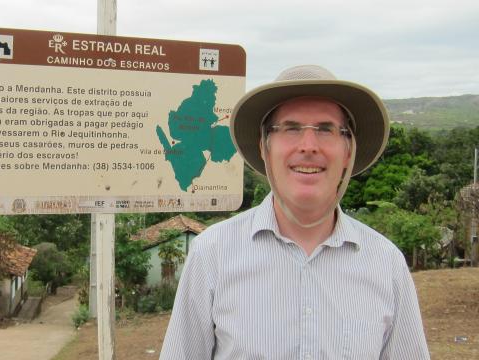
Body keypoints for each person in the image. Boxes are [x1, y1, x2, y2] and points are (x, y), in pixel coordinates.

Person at [160, 65, 430, 359]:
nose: (308, 146)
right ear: (265, 147)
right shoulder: (212, 254)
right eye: (291, 128)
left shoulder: (386, 264)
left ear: (348, 151)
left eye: (326, 129)